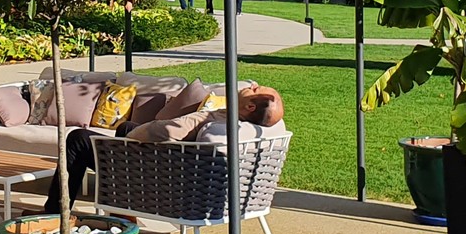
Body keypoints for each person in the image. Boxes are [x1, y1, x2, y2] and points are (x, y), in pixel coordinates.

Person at [29, 85, 286, 212]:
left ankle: (54, 212)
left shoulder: (208, 120)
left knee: (78, 138)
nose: (250, 86)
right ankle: (122, 210)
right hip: (186, 179)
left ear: (250, 107)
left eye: (255, 89)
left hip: (155, 178)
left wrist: (137, 134)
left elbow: (162, 132)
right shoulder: (253, 133)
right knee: (126, 126)